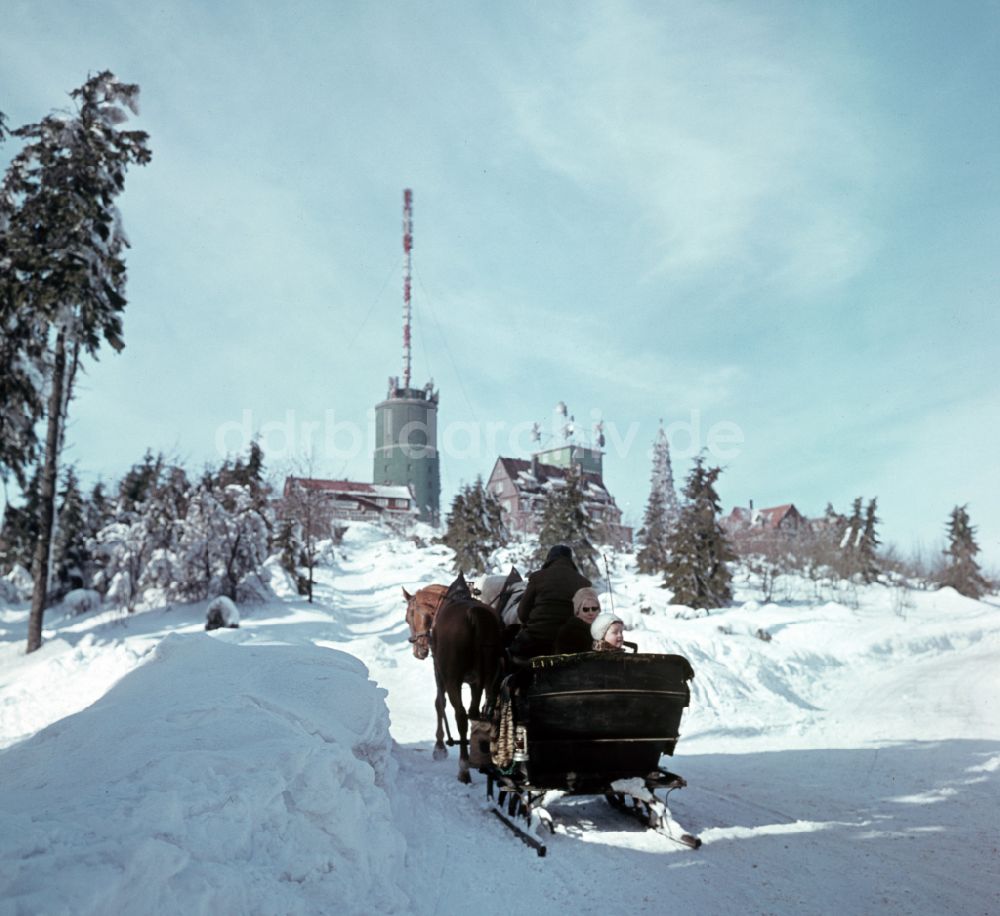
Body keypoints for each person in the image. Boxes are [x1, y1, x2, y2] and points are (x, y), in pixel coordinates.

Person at [509, 544, 591, 660]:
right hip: (571, 645)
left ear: (550, 559)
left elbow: (522, 613)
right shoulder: (584, 583)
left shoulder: (537, 577)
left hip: (535, 641)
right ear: (570, 560)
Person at [553, 587, 602, 653]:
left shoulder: (605, 629)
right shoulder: (569, 633)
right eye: (585, 609)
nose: (591, 613)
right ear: (577, 612)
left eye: (594, 608)